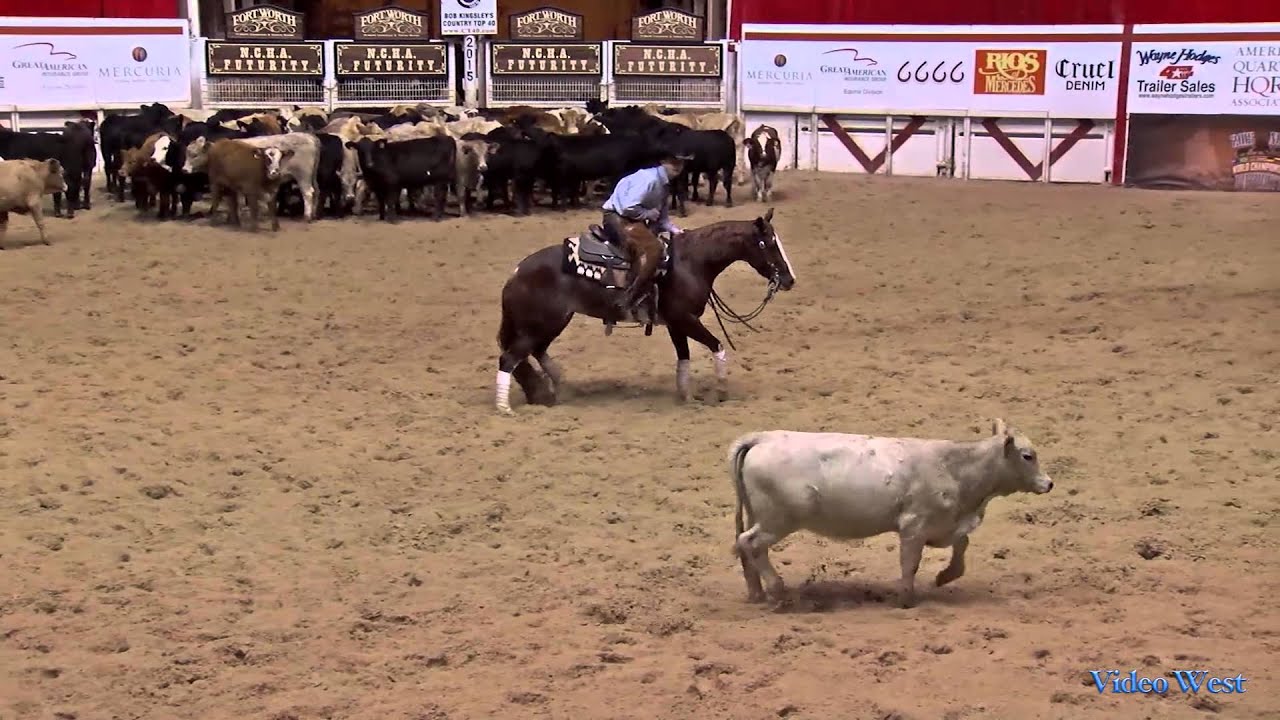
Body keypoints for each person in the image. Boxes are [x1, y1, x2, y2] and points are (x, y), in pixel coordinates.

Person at [600, 153, 690, 313]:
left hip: (633, 220)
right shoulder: (649, 179)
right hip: (617, 218)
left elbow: (662, 220)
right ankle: (631, 297)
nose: (678, 166)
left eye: (681, 163)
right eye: (673, 162)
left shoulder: (663, 185)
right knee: (654, 249)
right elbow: (628, 207)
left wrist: (677, 231)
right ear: (663, 162)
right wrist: (648, 214)